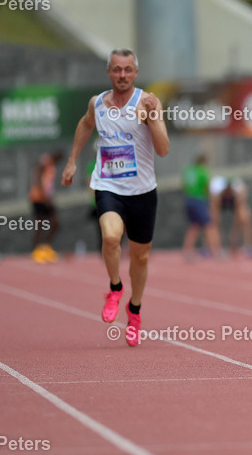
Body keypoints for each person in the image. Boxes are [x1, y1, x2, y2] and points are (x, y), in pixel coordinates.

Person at [61, 49, 169, 346]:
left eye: (128, 70)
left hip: (142, 191)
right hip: (108, 185)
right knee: (110, 237)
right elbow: (86, 124)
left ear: (136, 72)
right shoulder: (97, 103)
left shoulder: (147, 102)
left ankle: (135, 310)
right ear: (109, 72)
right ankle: (115, 287)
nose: (122, 75)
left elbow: (163, 149)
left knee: (140, 257)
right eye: (117, 69)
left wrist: (153, 118)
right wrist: (72, 161)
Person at [182, 154, 219, 259]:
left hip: (189, 200)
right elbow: (207, 187)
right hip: (199, 200)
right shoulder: (203, 171)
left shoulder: (189, 171)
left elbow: (185, 186)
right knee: (209, 225)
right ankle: (215, 251)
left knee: (194, 226)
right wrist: (212, 202)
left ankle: (187, 251)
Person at [209, 176, 252, 258]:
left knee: (245, 218)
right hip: (220, 202)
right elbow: (215, 214)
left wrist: (233, 238)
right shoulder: (216, 192)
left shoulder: (239, 190)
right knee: (212, 221)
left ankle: (247, 247)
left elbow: (240, 209)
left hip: (234, 202)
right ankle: (214, 248)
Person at [29, 151, 62, 263]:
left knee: (54, 223)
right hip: (39, 197)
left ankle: (45, 246)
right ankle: (36, 250)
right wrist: (42, 192)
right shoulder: (46, 161)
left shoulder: (51, 166)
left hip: (46, 198)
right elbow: (38, 174)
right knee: (40, 224)